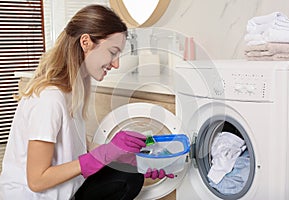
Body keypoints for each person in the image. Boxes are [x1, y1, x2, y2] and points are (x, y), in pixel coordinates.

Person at [0, 4, 173, 200]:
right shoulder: (50, 99)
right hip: (32, 196)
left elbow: (81, 145)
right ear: (86, 42)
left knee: (131, 176)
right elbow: (37, 180)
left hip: (66, 190)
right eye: (113, 52)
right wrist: (105, 154)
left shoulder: (75, 88)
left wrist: (137, 161)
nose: (116, 64)